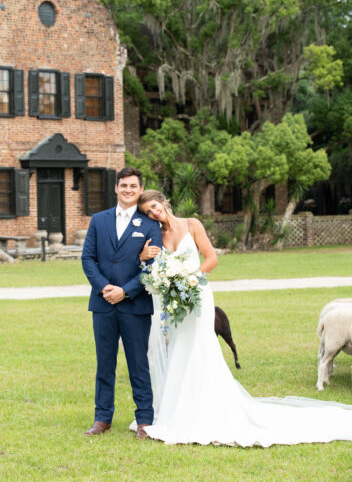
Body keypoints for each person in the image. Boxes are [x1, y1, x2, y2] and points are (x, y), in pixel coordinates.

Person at [135, 189, 352, 447]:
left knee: (202, 348)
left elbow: (212, 258)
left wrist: (189, 278)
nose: (153, 213)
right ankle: (177, 411)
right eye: (148, 212)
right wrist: (145, 260)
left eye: (154, 207)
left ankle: (209, 410)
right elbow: (151, 267)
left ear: (163, 201)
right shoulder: (156, 235)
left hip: (198, 295)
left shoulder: (191, 225)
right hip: (176, 302)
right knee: (180, 350)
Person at [82, 168, 162, 440]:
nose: (128, 190)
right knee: (104, 363)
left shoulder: (151, 225)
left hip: (135, 306)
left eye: (133, 186)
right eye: (124, 185)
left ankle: (144, 420)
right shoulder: (98, 220)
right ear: (116, 188)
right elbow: (87, 259)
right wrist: (105, 287)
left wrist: (125, 291)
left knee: (138, 363)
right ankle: (102, 418)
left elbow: (153, 268)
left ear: (140, 190)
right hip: (103, 303)